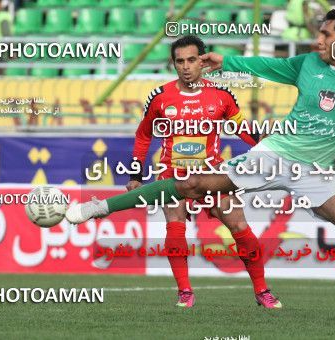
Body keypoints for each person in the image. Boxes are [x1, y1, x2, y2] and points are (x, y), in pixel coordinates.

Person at [66, 9, 335, 325]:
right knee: (192, 184)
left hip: (318, 172)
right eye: (319, 33)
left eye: (325, 33)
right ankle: (97, 208)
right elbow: (267, 67)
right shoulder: (307, 65)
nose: (317, 39)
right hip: (276, 153)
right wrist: (226, 61)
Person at [115, 35, 281, 309]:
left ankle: (262, 290)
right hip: (173, 172)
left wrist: (269, 139)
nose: (185, 66)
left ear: (203, 62)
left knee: (239, 224)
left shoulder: (222, 96)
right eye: (179, 61)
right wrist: (135, 176)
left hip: (212, 173)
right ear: (173, 64)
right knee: (176, 221)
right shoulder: (159, 97)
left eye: (192, 60)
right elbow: (143, 136)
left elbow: (246, 133)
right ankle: (185, 292)